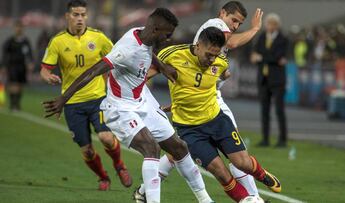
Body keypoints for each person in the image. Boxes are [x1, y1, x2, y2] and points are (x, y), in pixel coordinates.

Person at [42, 7, 214, 203]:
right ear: (156, 29)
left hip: (143, 100)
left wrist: (162, 67)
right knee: (152, 149)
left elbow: (148, 51)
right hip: (120, 108)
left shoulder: (144, 32)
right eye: (167, 35)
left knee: (180, 148)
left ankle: (206, 200)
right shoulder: (126, 50)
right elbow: (92, 71)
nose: (168, 39)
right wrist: (63, 99)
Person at [139, 1, 263, 199]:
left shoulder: (212, 43)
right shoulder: (217, 26)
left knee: (177, 152)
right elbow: (231, 43)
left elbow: (222, 72)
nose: (235, 26)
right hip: (211, 100)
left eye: (240, 24)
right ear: (223, 13)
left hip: (205, 96)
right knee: (236, 154)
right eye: (234, 20)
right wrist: (255, 28)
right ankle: (254, 197)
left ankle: (144, 191)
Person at [40, 0, 132, 190]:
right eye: (75, 14)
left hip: (98, 99)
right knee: (87, 151)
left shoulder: (98, 37)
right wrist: (48, 76)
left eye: (83, 14)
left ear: (87, 16)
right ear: (67, 16)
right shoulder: (57, 41)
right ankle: (103, 177)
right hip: (72, 104)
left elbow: (118, 56)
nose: (80, 18)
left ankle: (119, 165)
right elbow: (44, 68)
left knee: (106, 137)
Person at [251, 13, 288, 147]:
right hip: (263, 79)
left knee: (279, 111)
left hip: (277, 81)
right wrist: (268, 58)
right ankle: (265, 139)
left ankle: (282, 140)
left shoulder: (283, 39)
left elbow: (278, 57)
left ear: (277, 25)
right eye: (268, 24)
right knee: (264, 111)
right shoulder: (261, 37)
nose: (269, 26)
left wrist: (261, 57)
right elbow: (255, 54)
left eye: (272, 24)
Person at [1, 20, 34, 111]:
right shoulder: (10, 41)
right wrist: (3, 66)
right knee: (13, 84)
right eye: (17, 27)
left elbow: (29, 53)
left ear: (23, 29)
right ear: (14, 28)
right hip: (12, 66)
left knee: (20, 85)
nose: (18, 29)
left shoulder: (25, 41)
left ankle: (17, 104)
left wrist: (30, 62)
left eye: (20, 27)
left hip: (22, 66)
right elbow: (5, 54)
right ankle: (13, 104)